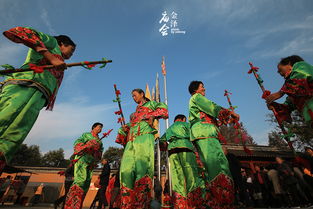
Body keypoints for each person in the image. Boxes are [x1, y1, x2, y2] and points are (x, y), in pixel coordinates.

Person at [0, 27, 76, 173]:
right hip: (26, 85)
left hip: (39, 94)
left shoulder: (60, 60)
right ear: (61, 44)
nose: (71, 55)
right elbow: (26, 32)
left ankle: (3, 155)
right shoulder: (52, 43)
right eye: (71, 50)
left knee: (19, 126)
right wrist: (51, 57)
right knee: (8, 115)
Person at [188, 81, 239, 209]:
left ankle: (212, 200)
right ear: (195, 90)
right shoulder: (197, 97)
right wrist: (228, 113)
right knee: (217, 164)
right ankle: (222, 200)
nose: (204, 88)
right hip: (205, 133)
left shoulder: (195, 100)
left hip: (203, 133)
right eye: (201, 86)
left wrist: (226, 117)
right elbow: (211, 106)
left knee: (207, 167)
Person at [118, 88, 168, 208]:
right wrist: (126, 128)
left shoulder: (151, 104)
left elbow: (164, 110)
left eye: (135, 95)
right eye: (132, 96)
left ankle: (141, 203)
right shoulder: (135, 112)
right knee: (126, 171)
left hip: (144, 139)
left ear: (142, 94)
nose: (133, 98)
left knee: (142, 169)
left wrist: (150, 115)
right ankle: (127, 203)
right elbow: (134, 124)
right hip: (132, 141)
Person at [159, 114, 205, 208]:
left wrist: (167, 146)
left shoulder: (169, 129)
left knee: (177, 178)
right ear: (183, 119)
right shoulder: (186, 125)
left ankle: (180, 204)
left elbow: (161, 141)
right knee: (190, 176)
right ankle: (192, 203)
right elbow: (196, 136)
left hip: (173, 152)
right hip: (186, 149)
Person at [265, 55, 313, 128]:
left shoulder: (301, 65)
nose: (279, 73)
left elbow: (299, 77)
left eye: (280, 69)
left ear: (289, 64)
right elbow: (288, 105)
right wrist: (275, 106)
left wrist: (280, 93)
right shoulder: (294, 92)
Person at [64, 123, 104, 209]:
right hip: (82, 160)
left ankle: (78, 205)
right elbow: (78, 142)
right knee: (80, 181)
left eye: (101, 128)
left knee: (86, 184)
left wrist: (96, 152)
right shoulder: (86, 135)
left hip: (90, 163)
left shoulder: (100, 141)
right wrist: (87, 145)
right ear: (94, 127)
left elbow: (100, 153)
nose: (100, 129)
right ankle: (71, 206)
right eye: (99, 127)